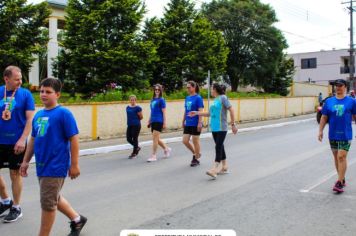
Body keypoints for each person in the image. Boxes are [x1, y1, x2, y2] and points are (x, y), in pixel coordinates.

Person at [20, 78, 87, 236]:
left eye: (48, 92)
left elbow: (74, 139)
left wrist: (75, 165)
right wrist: (25, 161)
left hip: (55, 166)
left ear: (57, 94)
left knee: (48, 204)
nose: (44, 94)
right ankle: (77, 220)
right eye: (42, 91)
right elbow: (33, 140)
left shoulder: (63, 113)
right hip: (42, 166)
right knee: (53, 198)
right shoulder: (38, 115)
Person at [0, 65, 35, 222]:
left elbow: (29, 119)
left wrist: (22, 140)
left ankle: (16, 207)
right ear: (6, 79)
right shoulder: (0, 92)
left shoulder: (26, 95)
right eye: (17, 79)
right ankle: (6, 201)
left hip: (16, 142)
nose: (20, 81)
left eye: (21, 78)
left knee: (14, 173)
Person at [189, 83, 238, 179]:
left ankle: (214, 169)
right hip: (214, 128)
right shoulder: (215, 100)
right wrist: (197, 113)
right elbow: (209, 113)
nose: (211, 90)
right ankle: (224, 167)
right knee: (220, 146)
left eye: (211, 88)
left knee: (218, 146)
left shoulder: (223, 98)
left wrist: (233, 124)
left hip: (221, 127)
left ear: (215, 89)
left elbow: (231, 110)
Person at [318, 79, 356, 193]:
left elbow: (355, 117)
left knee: (341, 157)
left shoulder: (352, 101)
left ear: (345, 87)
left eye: (340, 85)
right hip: (333, 134)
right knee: (336, 158)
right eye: (336, 86)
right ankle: (342, 178)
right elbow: (324, 117)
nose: (338, 87)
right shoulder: (329, 101)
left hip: (345, 134)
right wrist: (320, 131)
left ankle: (339, 183)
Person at [182, 81, 204, 167]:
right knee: (185, 141)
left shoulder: (198, 98)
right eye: (187, 87)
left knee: (195, 140)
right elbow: (186, 110)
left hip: (196, 122)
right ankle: (196, 153)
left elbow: (200, 111)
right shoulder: (187, 98)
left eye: (189, 87)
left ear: (194, 87)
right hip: (188, 123)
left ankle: (195, 159)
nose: (187, 89)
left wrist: (200, 122)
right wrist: (183, 120)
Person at [147, 84, 171, 162]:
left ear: (160, 91)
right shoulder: (152, 100)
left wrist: (164, 122)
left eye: (158, 90)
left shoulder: (161, 100)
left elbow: (164, 112)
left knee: (154, 139)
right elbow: (152, 111)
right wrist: (149, 120)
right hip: (153, 121)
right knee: (156, 138)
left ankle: (154, 156)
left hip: (159, 121)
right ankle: (166, 149)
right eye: (155, 89)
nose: (157, 91)